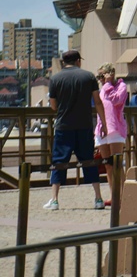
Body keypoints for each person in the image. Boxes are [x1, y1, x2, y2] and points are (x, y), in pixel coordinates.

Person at [45, 50, 107, 210]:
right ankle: (98, 198)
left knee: (59, 161)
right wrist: (104, 124)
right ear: (78, 60)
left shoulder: (55, 78)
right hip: (84, 125)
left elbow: (53, 106)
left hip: (64, 126)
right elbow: (97, 102)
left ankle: (55, 200)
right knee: (89, 161)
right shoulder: (89, 77)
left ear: (64, 62)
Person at [94, 63, 128, 205]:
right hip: (102, 129)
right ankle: (114, 196)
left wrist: (107, 85)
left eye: (102, 76)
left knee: (117, 164)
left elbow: (116, 100)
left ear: (111, 74)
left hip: (116, 129)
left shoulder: (121, 86)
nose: (100, 79)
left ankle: (124, 195)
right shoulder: (102, 89)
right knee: (108, 165)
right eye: (99, 76)